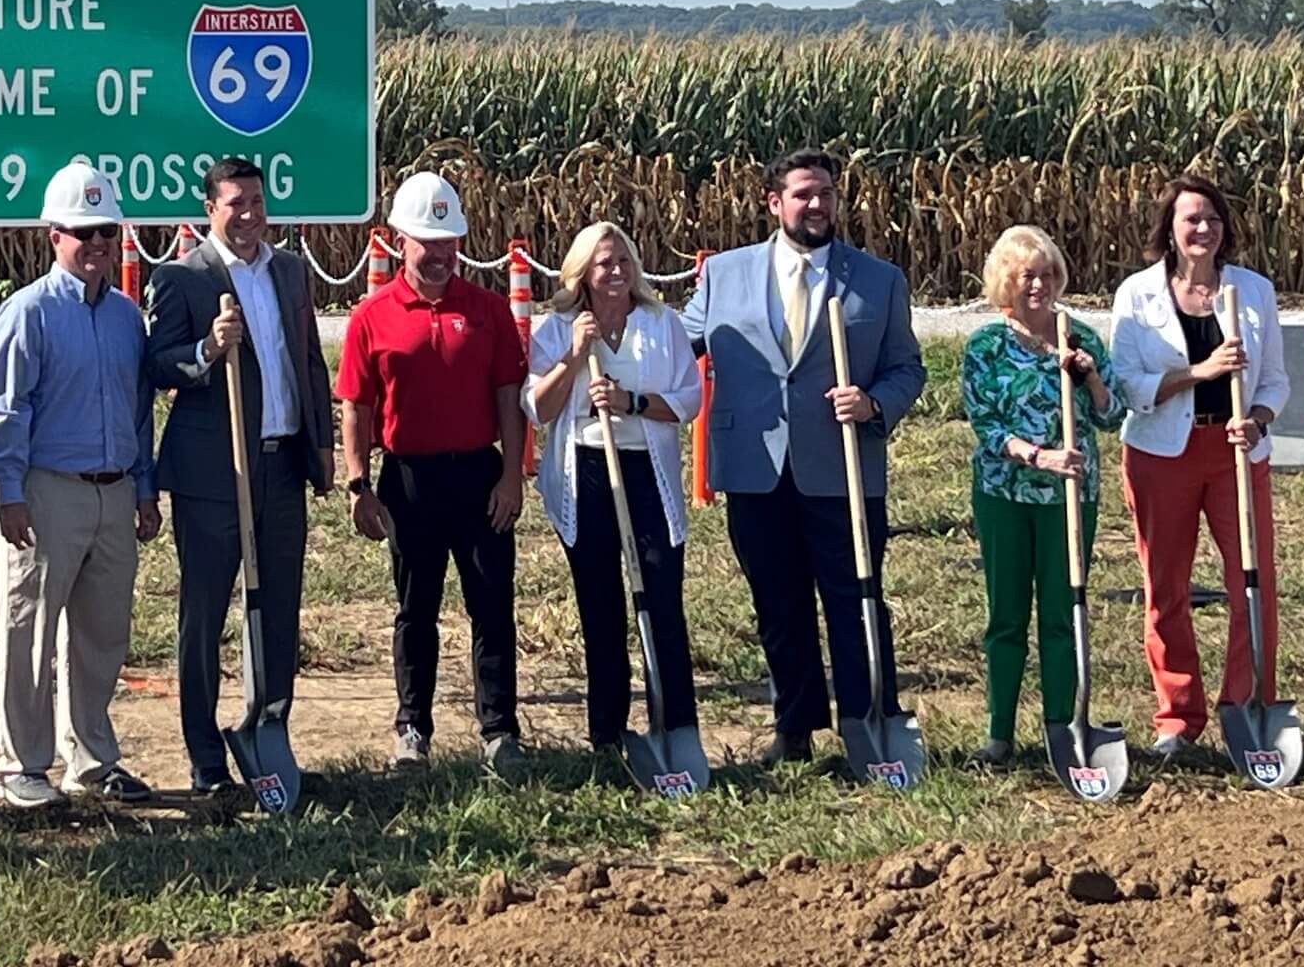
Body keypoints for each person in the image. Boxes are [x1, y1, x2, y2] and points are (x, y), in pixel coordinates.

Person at [678, 148, 926, 763]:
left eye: (826, 194)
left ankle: (870, 721)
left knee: (857, 596)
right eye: (804, 194)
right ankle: (795, 727)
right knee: (778, 604)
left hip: (842, 469)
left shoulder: (878, 279)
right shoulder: (725, 274)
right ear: (775, 203)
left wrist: (872, 404)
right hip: (756, 467)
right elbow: (679, 342)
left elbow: (908, 368)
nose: (817, 205)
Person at [145, 158, 334, 795]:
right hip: (213, 471)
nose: (249, 215)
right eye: (235, 204)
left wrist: (320, 450)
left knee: (279, 605)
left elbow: (306, 361)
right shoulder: (182, 277)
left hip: (280, 466)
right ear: (210, 210)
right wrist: (205, 350)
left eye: (256, 201)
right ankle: (204, 753)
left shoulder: (288, 271)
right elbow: (157, 366)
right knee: (205, 612)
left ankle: (267, 725)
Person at [0, 161, 159, 808]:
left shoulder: (123, 317)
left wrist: (143, 488)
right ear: (54, 235)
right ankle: (20, 766)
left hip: (113, 493)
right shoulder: (27, 312)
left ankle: (89, 759)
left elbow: (138, 409)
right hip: (46, 490)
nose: (98, 246)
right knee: (28, 630)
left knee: (102, 634)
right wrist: (8, 490)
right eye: (84, 233)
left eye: (107, 233)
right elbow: (4, 406)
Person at [338, 171, 529, 776]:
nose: (442, 253)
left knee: (493, 606)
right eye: (429, 242)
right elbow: (356, 406)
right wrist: (358, 483)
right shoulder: (372, 316)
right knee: (415, 609)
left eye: (451, 241)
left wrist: (512, 478)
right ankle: (412, 729)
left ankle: (499, 730)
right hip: (409, 481)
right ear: (399, 240)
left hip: (479, 477)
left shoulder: (488, 310)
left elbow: (508, 396)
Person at [1109, 175, 1289, 758]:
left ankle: (1248, 704)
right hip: (1162, 454)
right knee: (1167, 587)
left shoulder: (1254, 291)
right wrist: (1202, 372)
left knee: (1252, 583)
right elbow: (1128, 386)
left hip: (1236, 453)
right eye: (1191, 219)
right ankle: (1178, 718)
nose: (1203, 229)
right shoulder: (1137, 295)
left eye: (1212, 218)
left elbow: (1276, 381)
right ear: (1169, 230)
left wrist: (1257, 419)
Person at [524, 222, 703, 759]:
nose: (617, 272)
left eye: (624, 261)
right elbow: (538, 409)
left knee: (660, 595)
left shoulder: (660, 323)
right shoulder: (557, 328)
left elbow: (688, 400)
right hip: (587, 469)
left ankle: (675, 724)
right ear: (582, 272)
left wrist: (632, 402)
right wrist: (576, 355)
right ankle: (607, 732)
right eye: (605, 263)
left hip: (646, 468)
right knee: (599, 603)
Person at [959, 225, 1125, 765]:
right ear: (1007, 281)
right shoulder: (986, 346)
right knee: (1007, 614)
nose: (1039, 285)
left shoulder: (1080, 339)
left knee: (1063, 611)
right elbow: (985, 424)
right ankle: (999, 733)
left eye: (1048, 273)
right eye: (1027, 275)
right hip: (1006, 492)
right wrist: (1037, 455)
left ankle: (1063, 724)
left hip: (1070, 499)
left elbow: (1111, 414)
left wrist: (1092, 379)